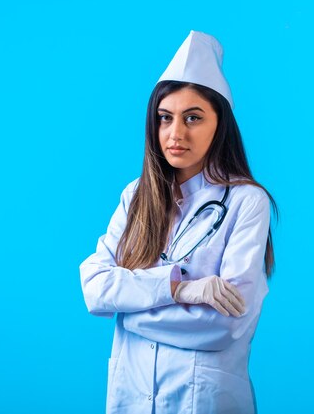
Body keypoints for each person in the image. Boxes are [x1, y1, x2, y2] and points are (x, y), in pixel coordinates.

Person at [79, 30, 278, 414]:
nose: (175, 134)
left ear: (220, 124)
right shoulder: (136, 195)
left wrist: (130, 310)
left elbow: (225, 326)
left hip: (202, 401)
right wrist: (179, 290)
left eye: (193, 118)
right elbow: (94, 288)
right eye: (165, 118)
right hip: (131, 395)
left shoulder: (246, 202)